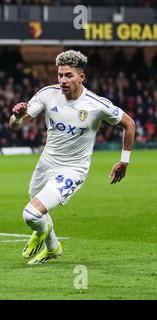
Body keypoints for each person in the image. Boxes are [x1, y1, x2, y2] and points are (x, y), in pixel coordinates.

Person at [9, 50, 135, 264]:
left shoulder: (96, 104)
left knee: (31, 214)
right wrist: (17, 116)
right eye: (60, 75)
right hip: (46, 163)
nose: (63, 80)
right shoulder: (48, 94)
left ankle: (45, 230)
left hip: (73, 169)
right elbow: (15, 125)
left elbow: (129, 123)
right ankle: (53, 247)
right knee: (35, 201)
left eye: (68, 75)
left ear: (81, 77)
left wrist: (124, 160)